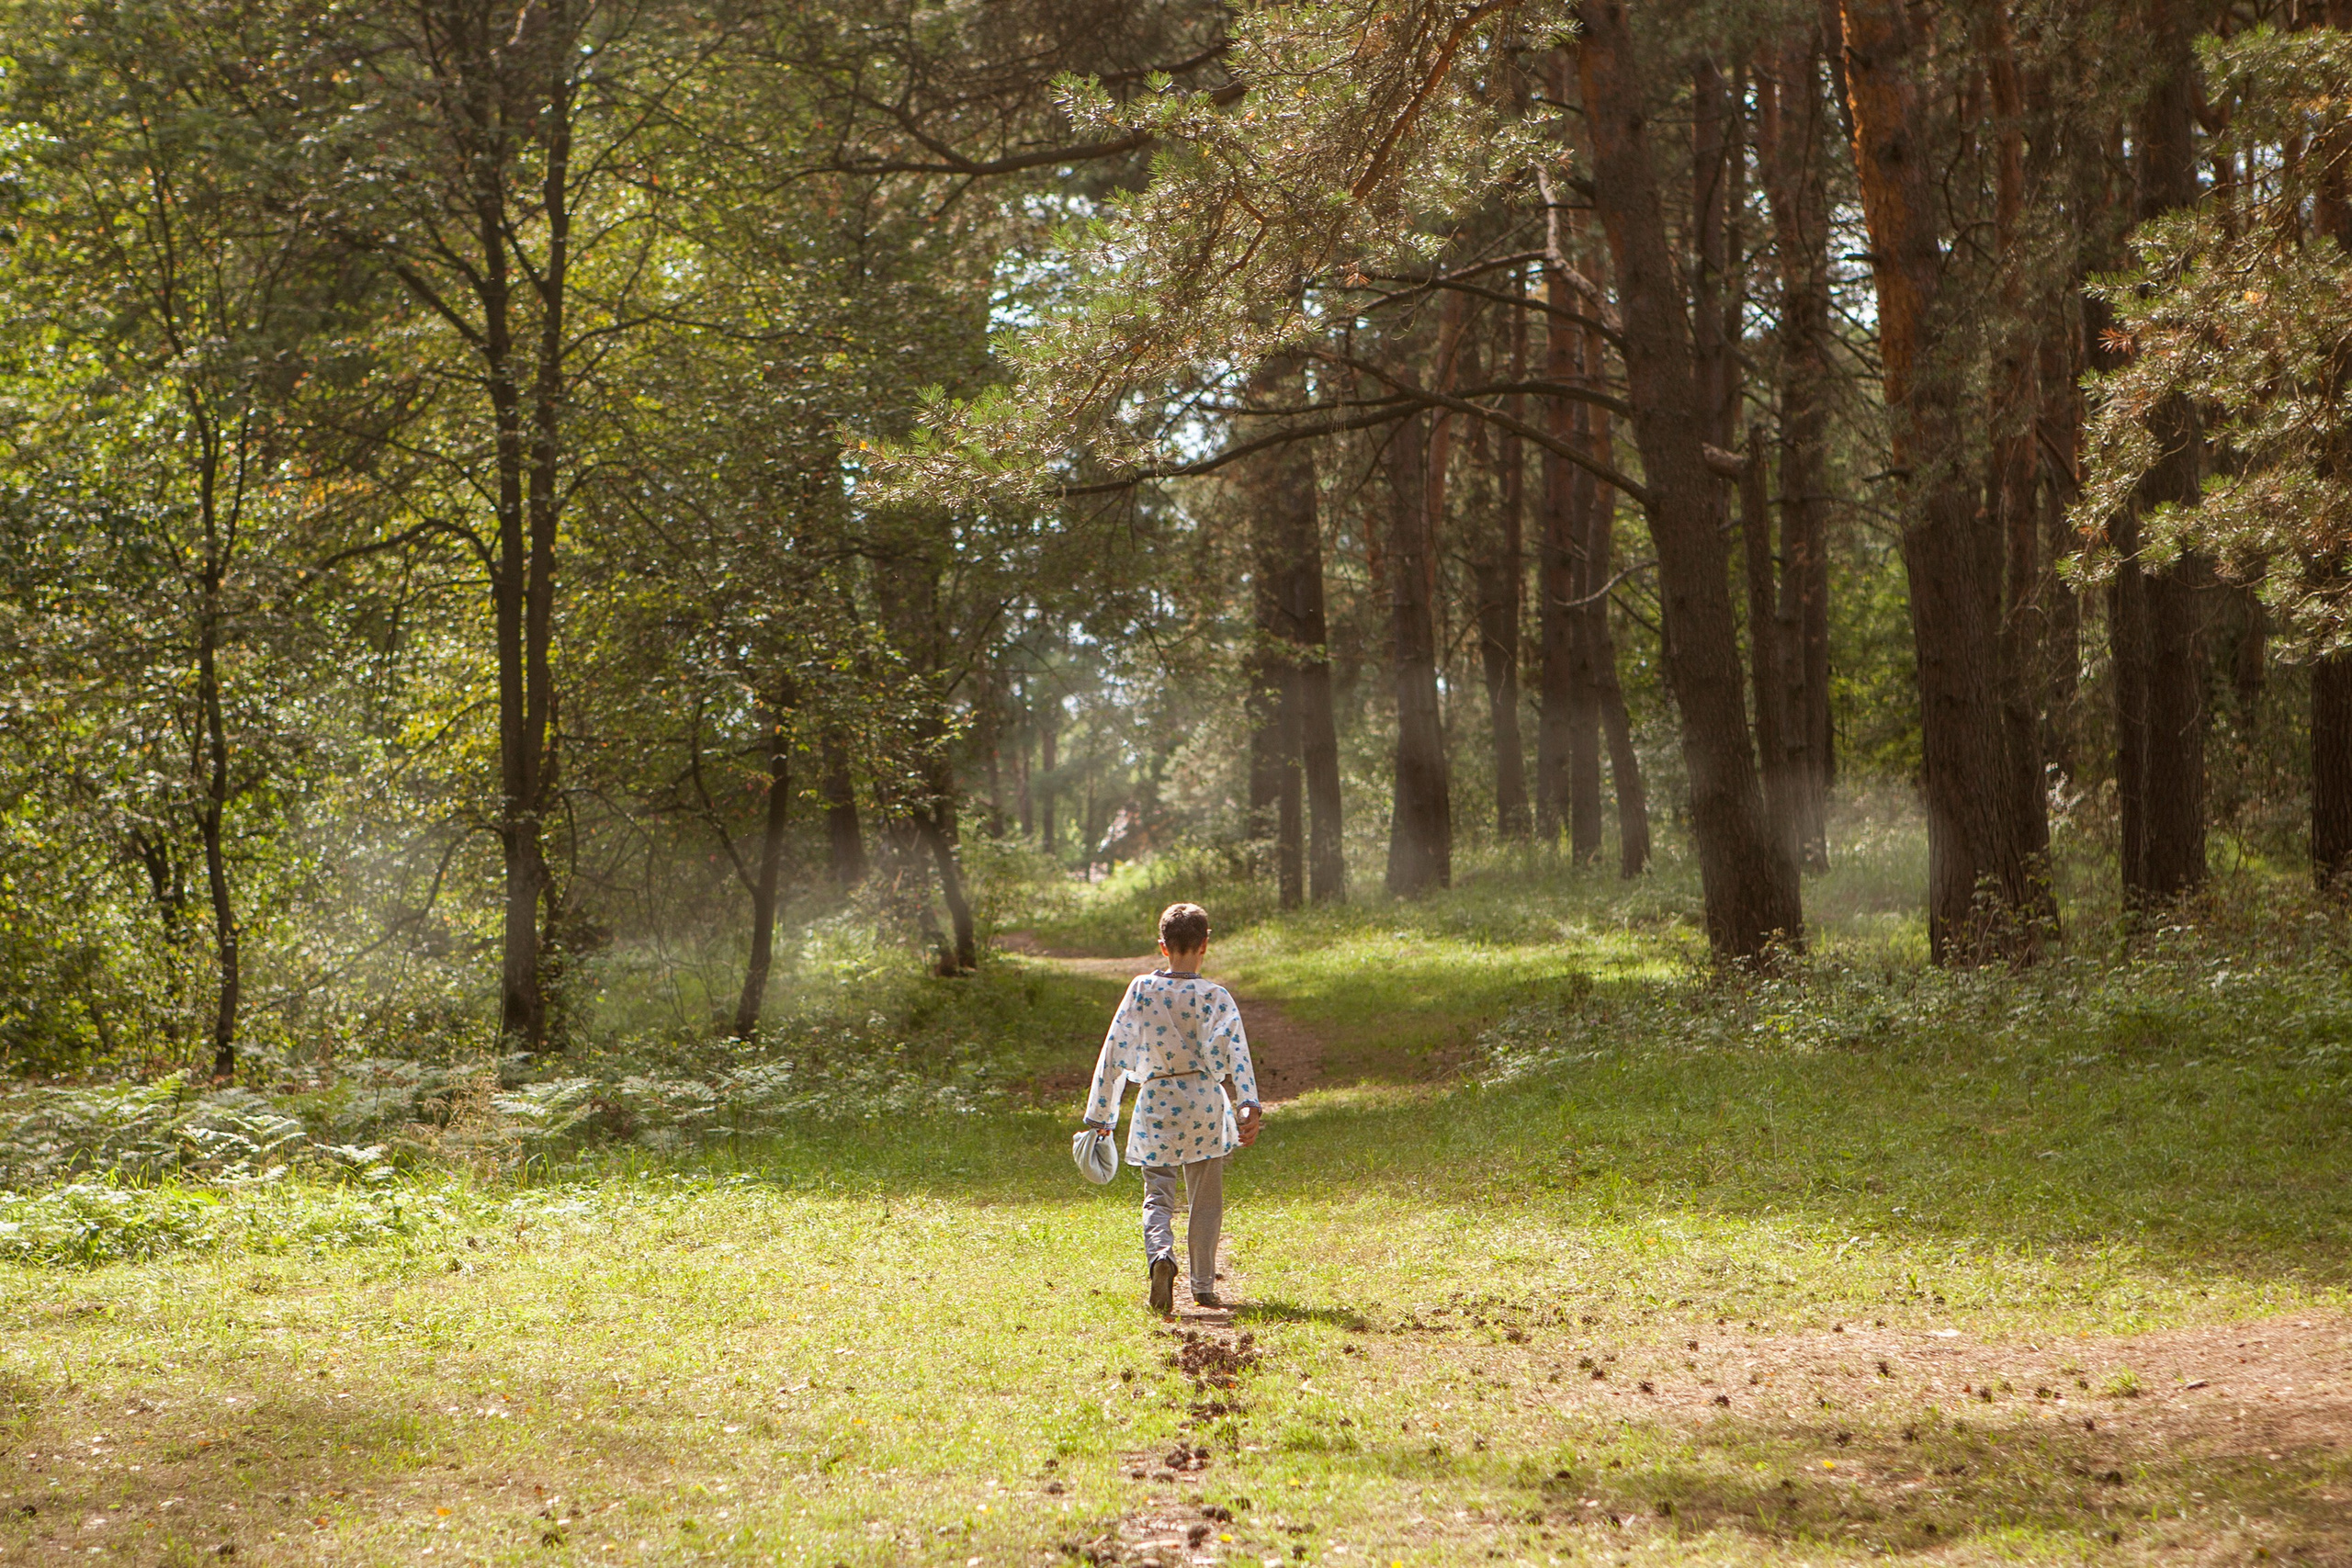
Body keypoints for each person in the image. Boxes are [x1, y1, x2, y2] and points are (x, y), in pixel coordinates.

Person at [1079, 901, 1261, 1314]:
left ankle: (1161, 1256)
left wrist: (1101, 1117)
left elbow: (1114, 1053)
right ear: (1205, 945)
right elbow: (1238, 1053)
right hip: (1204, 1103)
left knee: (1157, 1196)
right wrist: (1248, 1104)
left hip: (1156, 1102)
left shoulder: (1141, 989)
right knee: (1205, 1200)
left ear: (1163, 947)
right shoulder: (1216, 996)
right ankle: (1202, 1286)